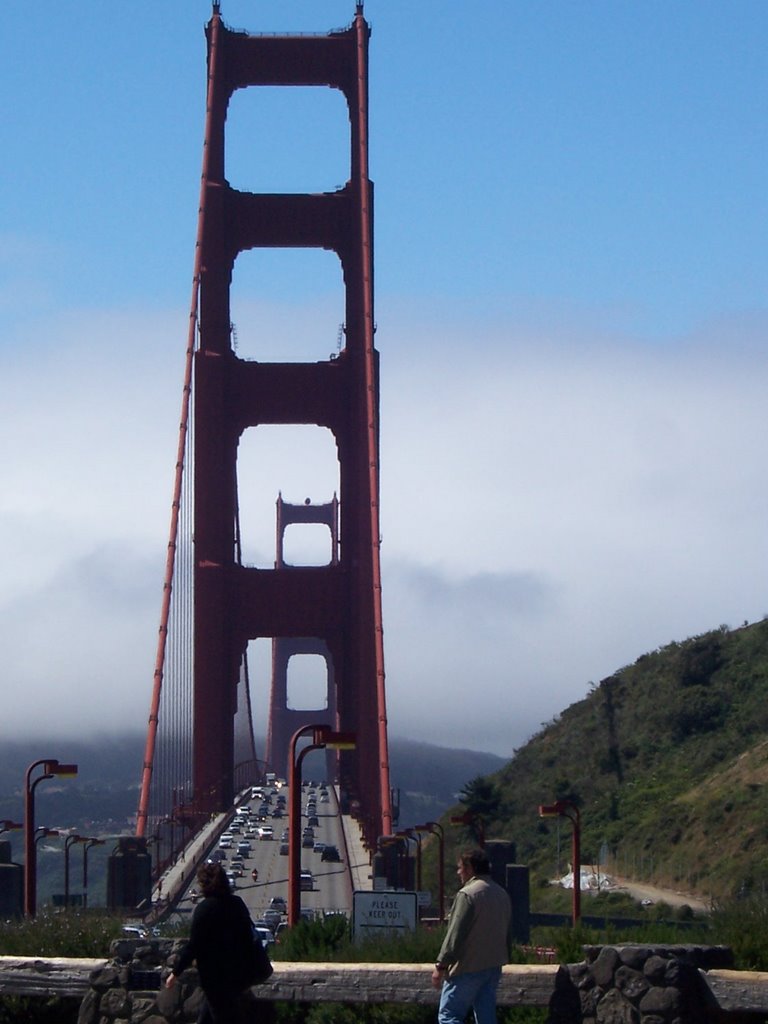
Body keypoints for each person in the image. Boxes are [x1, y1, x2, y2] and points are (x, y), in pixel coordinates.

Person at [165, 861, 259, 1023]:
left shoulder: (204, 909)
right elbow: (248, 937)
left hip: (214, 978)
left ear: (205, 884)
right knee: (211, 1017)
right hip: (239, 974)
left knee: (221, 1016)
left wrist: (175, 973)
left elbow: (193, 946)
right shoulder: (237, 904)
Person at [431, 848, 512, 1024]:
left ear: (469, 868)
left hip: (467, 967)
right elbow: (506, 933)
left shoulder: (467, 895)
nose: (459, 872)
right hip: (493, 966)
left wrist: (441, 965)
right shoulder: (501, 893)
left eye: (460, 868)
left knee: (449, 1016)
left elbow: (455, 935)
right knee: (486, 1017)